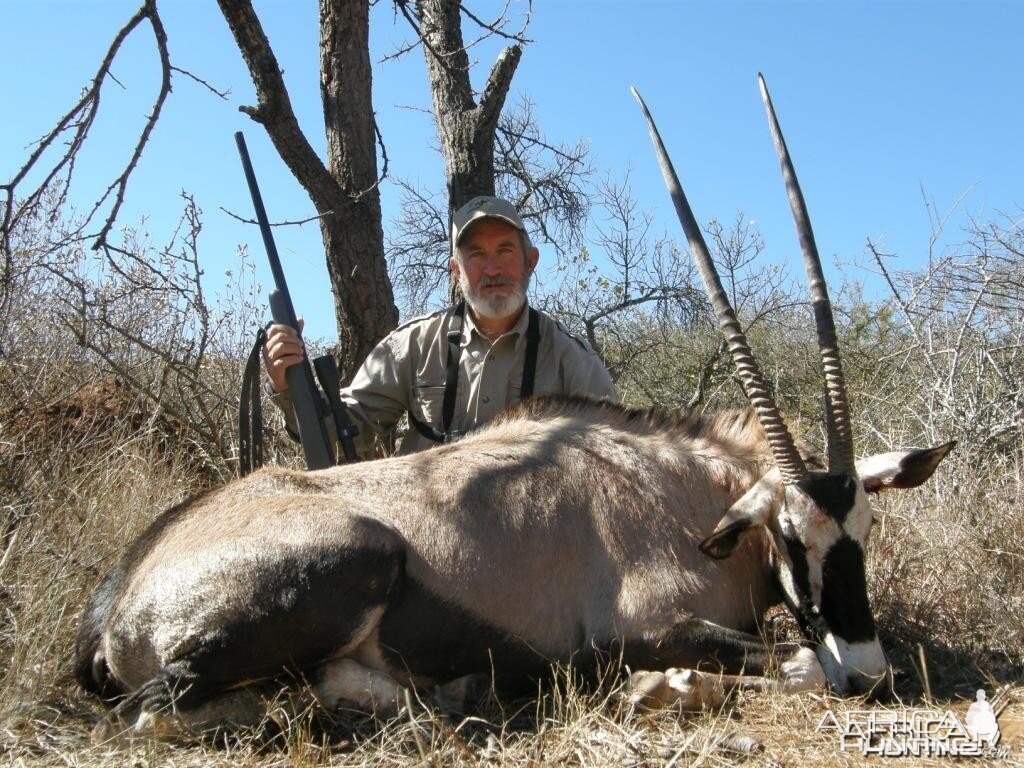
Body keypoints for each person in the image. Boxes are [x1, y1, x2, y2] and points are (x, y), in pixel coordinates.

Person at [263, 195, 617, 458]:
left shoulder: (573, 362)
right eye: (476, 255)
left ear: (531, 261)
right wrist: (290, 387)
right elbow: (344, 433)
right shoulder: (413, 344)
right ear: (456, 269)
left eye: (505, 251)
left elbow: (614, 465)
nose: (491, 269)